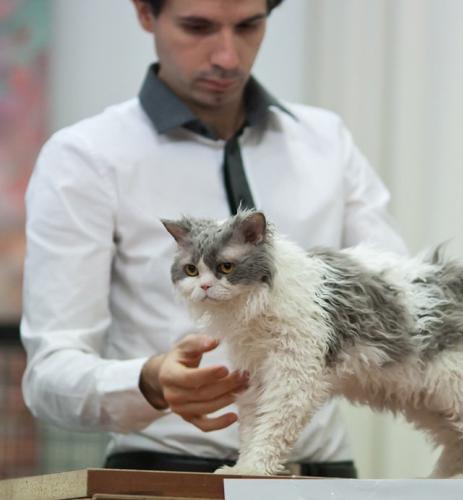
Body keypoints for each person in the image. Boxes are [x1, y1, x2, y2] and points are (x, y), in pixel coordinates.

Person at [21, 0, 408, 477]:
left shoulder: (326, 141)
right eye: (197, 27)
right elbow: (47, 376)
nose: (228, 57)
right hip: (165, 475)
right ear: (146, 13)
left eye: (249, 25)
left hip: (322, 475)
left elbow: (397, 294)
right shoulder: (86, 157)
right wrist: (146, 381)